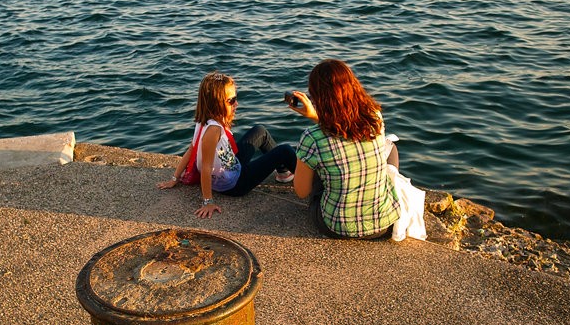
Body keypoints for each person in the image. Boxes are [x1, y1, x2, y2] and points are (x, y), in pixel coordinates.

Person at [157, 71, 297, 218]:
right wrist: (208, 202)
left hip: (231, 167)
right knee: (285, 150)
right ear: (215, 103)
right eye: (231, 100)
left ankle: (283, 172)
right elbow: (206, 168)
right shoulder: (213, 130)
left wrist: (174, 178)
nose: (236, 103)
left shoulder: (202, 121)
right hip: (235, 184)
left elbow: (191, 149)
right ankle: (308, 184)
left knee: (259, 131)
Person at [288, 59, 401, 239]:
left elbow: (302, 192)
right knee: (391, 147)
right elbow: (346, 131)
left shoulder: (312, 137)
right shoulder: (375, 118)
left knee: (319, 166)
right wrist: (316, 117)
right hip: (384, 225)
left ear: (317, 97)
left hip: (337, 227)